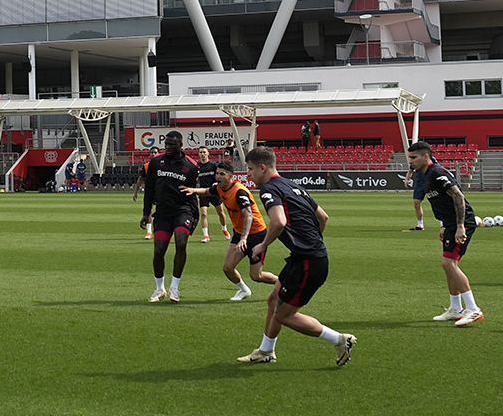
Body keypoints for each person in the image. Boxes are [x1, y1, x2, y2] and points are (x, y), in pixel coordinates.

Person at [236, 147, 355, 366]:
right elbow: (323, 217)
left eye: (251, 170)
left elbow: (279, 222)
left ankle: (339, 339)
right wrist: (311, 241)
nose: (249, 175)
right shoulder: (293, 185)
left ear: (262, 167)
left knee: (283, 315)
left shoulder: (269, 189)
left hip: (309, 262)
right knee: (273, 300)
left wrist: (262, 245)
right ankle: (265, 351)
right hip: (303, 257)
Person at [405, 141, 485, 326]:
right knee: (449, 265)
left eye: (414, 157)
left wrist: (459, 226)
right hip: (449, 224)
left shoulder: (437, 173)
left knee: (448, 263)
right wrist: (443, 225)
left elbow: (458, 196)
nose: (411, 161)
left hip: (462, 222)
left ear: (426, 156)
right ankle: (455, 309)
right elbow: (440, 202)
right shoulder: (422, 174)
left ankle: (473, 309)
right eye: (410, 157)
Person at [140, 131, 205, 302]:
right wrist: (146, 213)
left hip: (183, 210)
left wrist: (195, 215)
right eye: (166, 144)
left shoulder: (191, 166)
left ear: (180, 145)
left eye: (171, 144)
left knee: (181, 242)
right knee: (159, 250)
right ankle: (159, 288)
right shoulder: (155, 162)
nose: (167, 147)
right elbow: (149, 189)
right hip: (162, 213)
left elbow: (193, 192)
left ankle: (174, 288)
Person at [206, 154, 277, 300]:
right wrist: (191, 190)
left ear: (230, 176)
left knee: (256, 276)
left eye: (221, 174)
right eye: (217, 173)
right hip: (239, 234)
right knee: (227, 268)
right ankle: (244, 290)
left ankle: (284, 284)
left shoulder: (240, 192)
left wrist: (244, 238)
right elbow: (206, 191)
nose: (217, 176)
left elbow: (248, 215)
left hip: (256, 235)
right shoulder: (219, 188)